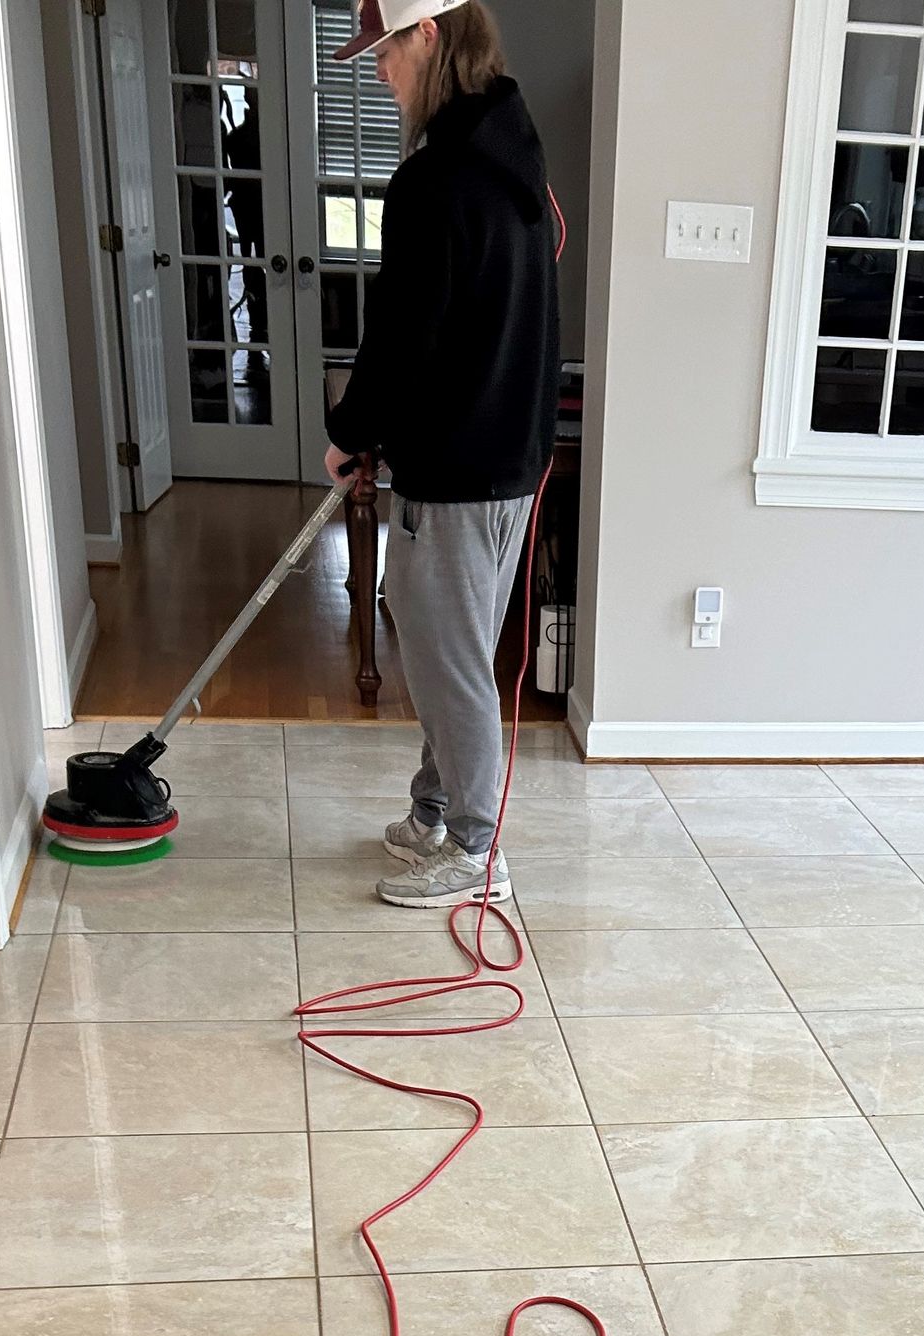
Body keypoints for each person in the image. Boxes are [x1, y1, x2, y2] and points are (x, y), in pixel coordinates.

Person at [323, 0, 559, 911]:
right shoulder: (516, 163)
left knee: (444, 659)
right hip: (508, 458)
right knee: (446, 648)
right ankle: (433, 810)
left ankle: (474, 846)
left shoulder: (433, 184)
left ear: (428, 36)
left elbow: (401, 342)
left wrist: (351, 434)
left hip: (457, 467)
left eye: (384, 50)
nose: (377, 71)